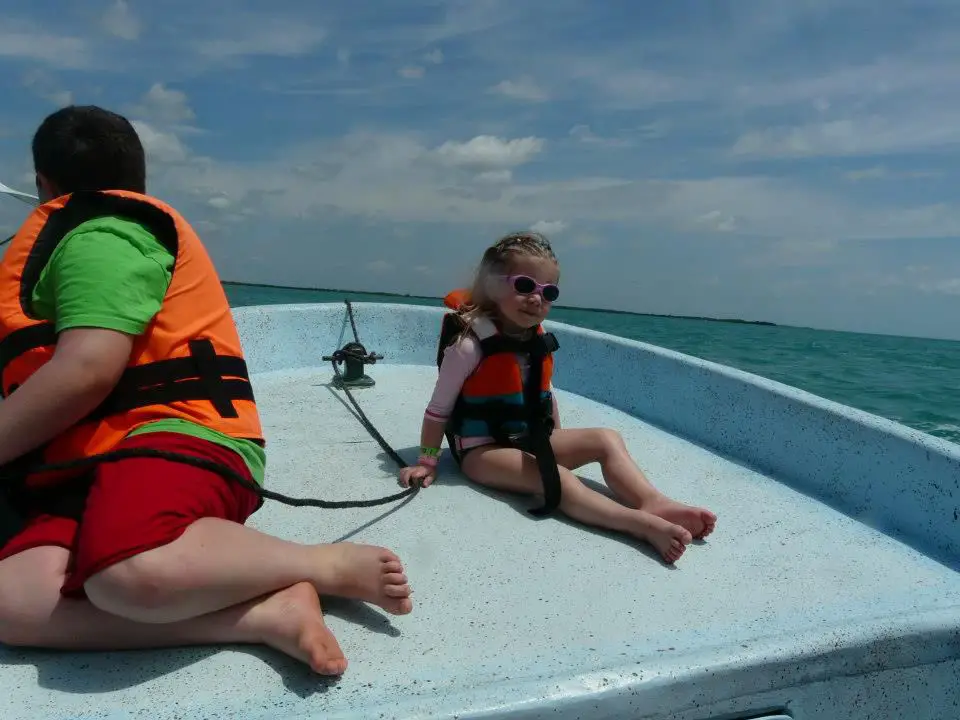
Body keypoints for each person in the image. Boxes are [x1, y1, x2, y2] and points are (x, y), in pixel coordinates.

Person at [0, 105, 412, 675]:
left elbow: (87, 370)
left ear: (43, 186)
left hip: (179, 436)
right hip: (96, 459)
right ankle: (263, 616)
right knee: (13, 601)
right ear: (138, 178)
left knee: (128, 572)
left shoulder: (103, 234)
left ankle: (324, 565)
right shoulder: (96, 229)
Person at [399, 231, 716, 563]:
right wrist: (428, 462)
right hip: (481, 451)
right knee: (552, 474)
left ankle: (652, 501)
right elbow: (438, 411)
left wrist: (556, 438)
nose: (537, 298)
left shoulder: (537, 340)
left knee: (607, 439)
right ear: (492, 283)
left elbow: (544, 395)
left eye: (548, 292)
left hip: (526, 439)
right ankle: (637, 524)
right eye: (524, 286)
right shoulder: (468, 345)